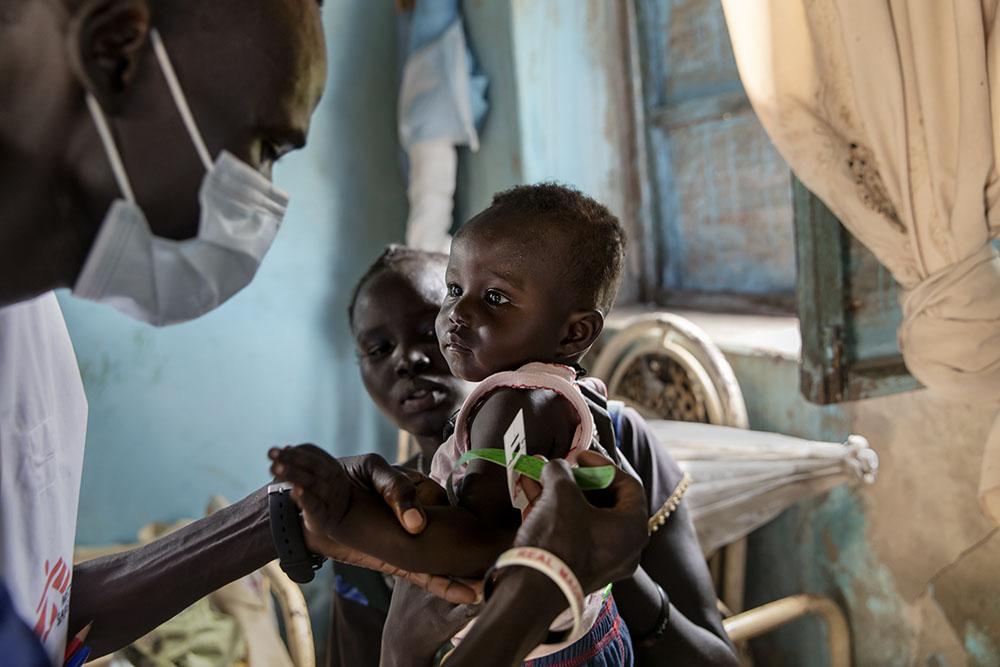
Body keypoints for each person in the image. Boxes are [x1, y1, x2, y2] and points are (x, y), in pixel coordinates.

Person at [0, 1, 472, 662]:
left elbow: (38, 616)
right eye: (265, 146)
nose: (261, 200)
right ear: (116, 54)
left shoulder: (29, 331)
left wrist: (282, 516)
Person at [272, 184, 736, 664]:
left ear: (571, 332)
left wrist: (618, 570)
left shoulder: (614, 446)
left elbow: (718, 661)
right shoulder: (395, 494)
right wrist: (402, 646)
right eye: (378, 348)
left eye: (494, 297)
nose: (411, 357)